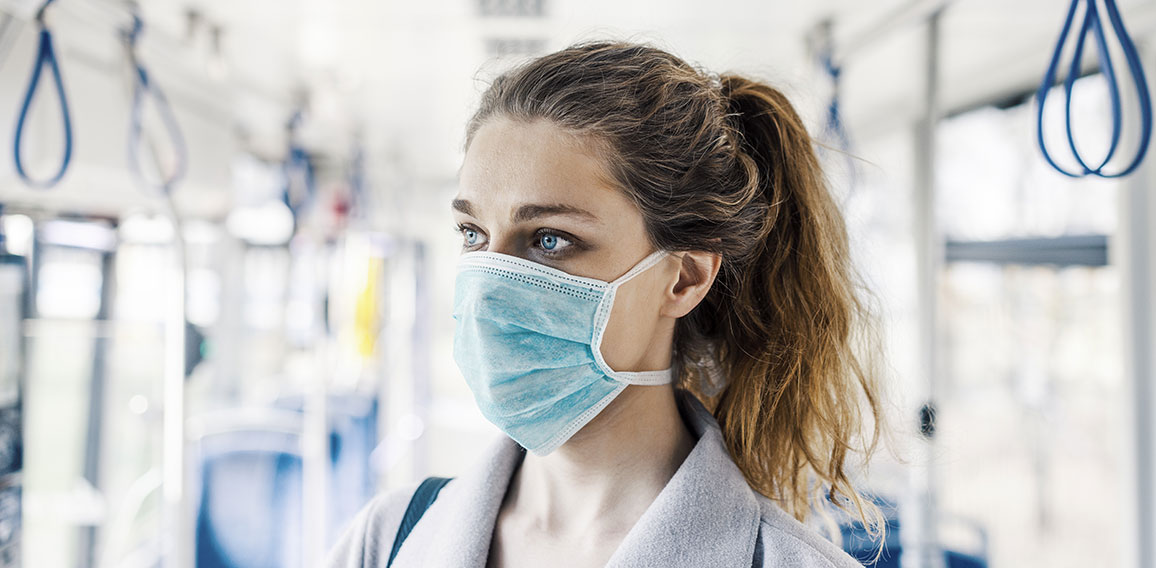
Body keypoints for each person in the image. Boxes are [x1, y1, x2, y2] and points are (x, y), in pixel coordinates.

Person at [328, 40, 891, 568]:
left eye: (549, 239)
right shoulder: (387, 538)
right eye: (473, 234)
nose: (488, 284)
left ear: (684, 279)